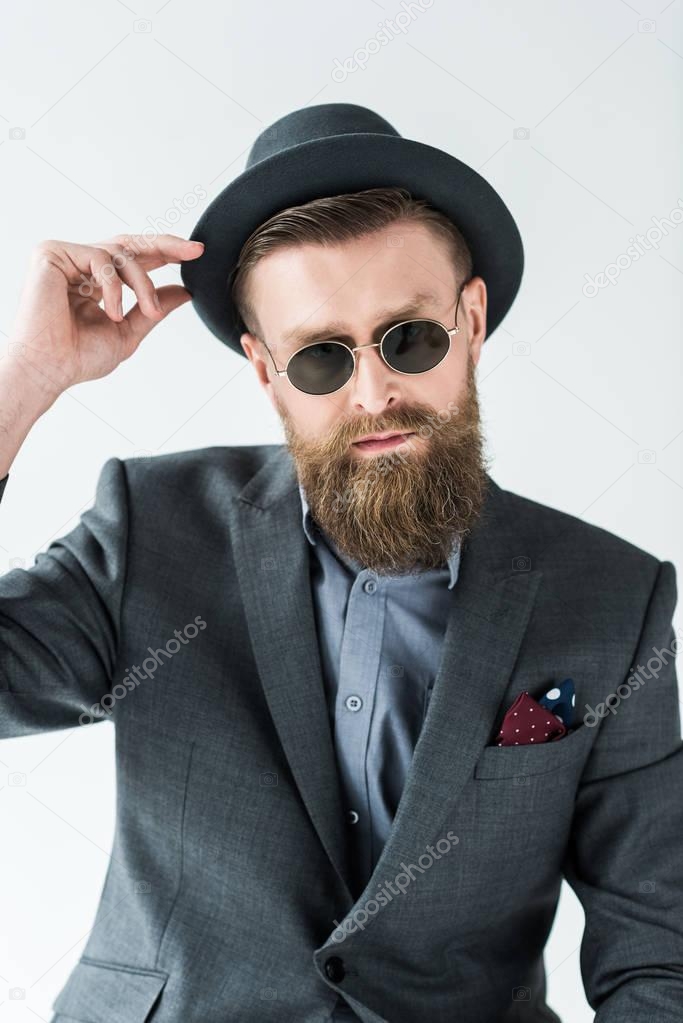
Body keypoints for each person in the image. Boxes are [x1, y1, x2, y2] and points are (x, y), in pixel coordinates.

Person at [1, 104, 681, 1023]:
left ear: (470, 319)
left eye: (410, 337)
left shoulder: (613, 598)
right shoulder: (150, 529)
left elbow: (658, 948)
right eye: (321, 358)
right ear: (263, 368)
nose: (375, 392)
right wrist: (24, 382)